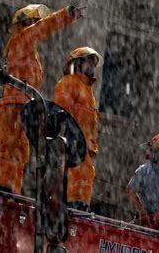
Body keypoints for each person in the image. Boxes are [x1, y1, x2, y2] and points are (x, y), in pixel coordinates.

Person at [0, 4, 84, 195]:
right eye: (35, 21)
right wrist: (65, 15)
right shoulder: (21, 40)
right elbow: (42, 29)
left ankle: (9, 190)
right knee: (11, 149)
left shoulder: (26, 48)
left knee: (18, 151)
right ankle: (3, 188)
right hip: (14, 102)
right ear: (26, 23)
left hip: (18, 102)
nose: (37, 25)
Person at [54, 46, 103, 211]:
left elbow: (91, 124)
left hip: (84, 150)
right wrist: (70, 139)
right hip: (72, 146)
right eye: (88, 61)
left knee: (84, 179)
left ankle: (80, 206)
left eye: (93, 63)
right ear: (77, 62)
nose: (91, 66)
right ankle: (73, 206)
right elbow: (61, 114)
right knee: (73, 180)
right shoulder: (68, 83)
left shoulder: (89, 91)